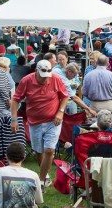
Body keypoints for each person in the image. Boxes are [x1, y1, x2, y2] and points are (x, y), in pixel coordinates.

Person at [11, 60, 69, 189]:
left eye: (47, 76)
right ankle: (45, 174)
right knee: (38, 150)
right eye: (42, 76)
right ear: (36, 71)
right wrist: (14, 119)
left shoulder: (55, 78)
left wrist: (60, 112)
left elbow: (65, 96)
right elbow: (15, 100)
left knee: (49, 150)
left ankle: (41, 181)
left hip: (53, 121)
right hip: (35, 122)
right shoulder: (26, 80)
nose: (45, 79)